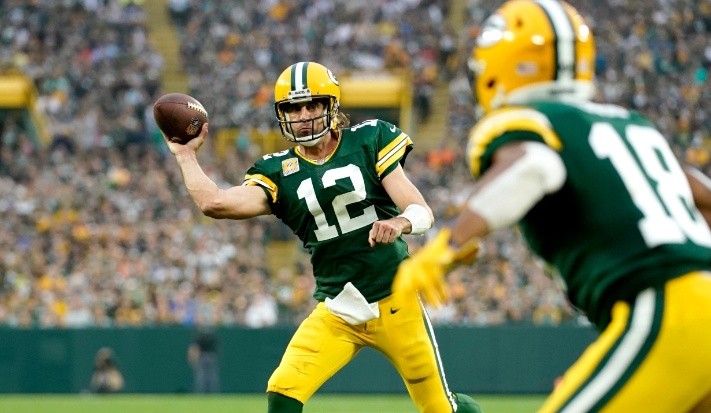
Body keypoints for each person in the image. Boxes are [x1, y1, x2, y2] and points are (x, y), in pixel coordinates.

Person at [392, 1, 711, 411]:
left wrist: (451, 241)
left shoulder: (528, 122)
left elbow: (535, 166)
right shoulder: (632, 127)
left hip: (668, 315)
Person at [164, 61, 481, 413]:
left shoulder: (369, 140)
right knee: (283, 390)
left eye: (311, 105)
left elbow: (421, 212)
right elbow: (214, 203)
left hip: (396, 301)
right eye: (292, 108)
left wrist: (400, 223)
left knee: (440, 408)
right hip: (337, 308)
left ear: (331, 106)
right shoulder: (277, 170)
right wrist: (185, 156)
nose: (302, 115)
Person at [188, 326, 220, 393]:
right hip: (208, 356)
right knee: (206, 376)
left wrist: (193, 357)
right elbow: (195, 347)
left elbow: (194, 347)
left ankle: (206, 392)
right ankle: (206, 392)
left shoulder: (201, 335)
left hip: (205, 356)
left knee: (205, 375)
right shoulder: (210, 335)